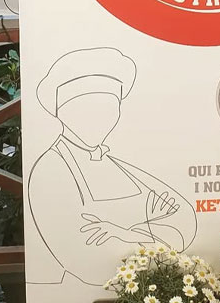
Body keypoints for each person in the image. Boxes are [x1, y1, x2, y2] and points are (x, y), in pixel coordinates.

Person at [28, 47, 197, 288]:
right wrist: (151, 224)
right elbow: (86, 260)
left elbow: (185, 221)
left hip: (148, 288)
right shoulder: (50, 169)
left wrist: (123, 232)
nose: (100, 117)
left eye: (109, 107)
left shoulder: (119, 165)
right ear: (63, 112)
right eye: (88, 107)